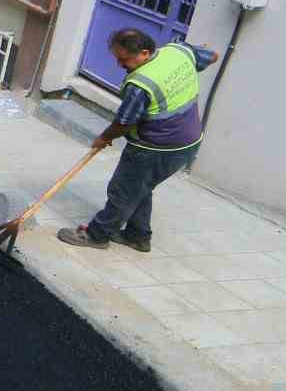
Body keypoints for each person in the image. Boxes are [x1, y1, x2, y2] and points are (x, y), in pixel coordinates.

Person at [58, 29, 219, 252]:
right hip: (188, 142)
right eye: (117, 58)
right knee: (141, 186)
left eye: (123, 59)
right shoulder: (179, 52)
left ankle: (97, 235)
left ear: (144, 53)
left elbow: (124, 123)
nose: (119, 64)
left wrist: (104, 137)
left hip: (156, 149)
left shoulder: (141, 84)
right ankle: (138, 236)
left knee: (123, 190)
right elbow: (212, 57)